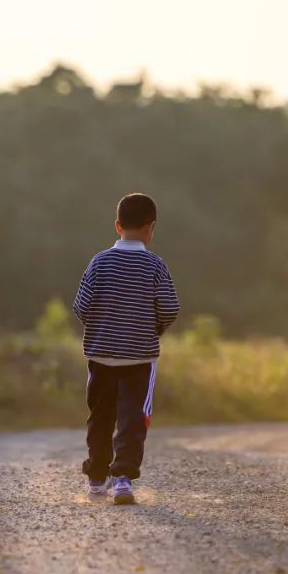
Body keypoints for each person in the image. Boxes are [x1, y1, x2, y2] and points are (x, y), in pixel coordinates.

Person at [72, 193, 180, 505]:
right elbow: (170, 308)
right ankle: (122, 478)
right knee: (133, 418)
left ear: (118, 225)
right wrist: (152, 328)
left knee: (100, 416)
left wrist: (100, 328)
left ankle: (96, 477)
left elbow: (81, 305)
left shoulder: (99, 261)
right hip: (139, 357)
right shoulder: (155, 265)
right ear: (151, 228)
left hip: (101, 355)